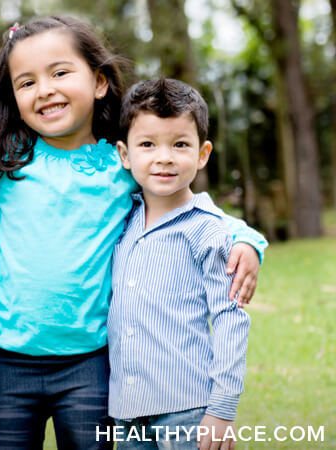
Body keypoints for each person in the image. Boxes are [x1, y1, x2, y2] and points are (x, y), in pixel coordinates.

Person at [0, 16, 267, 449]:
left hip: (90, 361)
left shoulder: (123, 162)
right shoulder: (5, 160)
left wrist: (246, 238)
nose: (45, 90)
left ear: (99, 82)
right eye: (26, 82)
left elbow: (185, 206)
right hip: (6, 362)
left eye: (59, 73)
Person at [108, 78, 250, 450]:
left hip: (187, 409)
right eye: (147, 144)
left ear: (203, 154)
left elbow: (230, 319)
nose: (164, 157)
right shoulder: (120, 221)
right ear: (125, 154)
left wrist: (221, 408)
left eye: (180, 144)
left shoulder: (209, 231)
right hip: (126, 409)